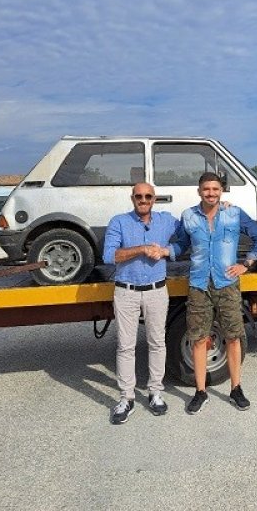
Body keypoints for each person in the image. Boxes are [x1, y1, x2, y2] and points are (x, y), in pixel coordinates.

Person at [171, 172, 257, 414]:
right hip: (199, 285)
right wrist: (164, 251)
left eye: (215, 189)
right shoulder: (189, 216)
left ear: (221, 191)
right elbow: (181, 244)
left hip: (227, 283)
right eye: (206, 189)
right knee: (199, 338)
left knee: (234, 336)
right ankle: (200, 392)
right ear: (199, 191)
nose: (210, 193)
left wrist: (246, 264)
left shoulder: (233, 213)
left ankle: (236, 389)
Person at [103, 182, 178, 424]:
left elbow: (189, 235)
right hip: (127, 292)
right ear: (132, 198)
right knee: (125, 346)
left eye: (148, 196)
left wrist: (167, 251)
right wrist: (142, 249)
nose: (143, 199)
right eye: (139, 196)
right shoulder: (119, 222)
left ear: (154, 199)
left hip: (157, 291)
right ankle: (126, 397)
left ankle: (155, 392)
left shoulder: (167, 221)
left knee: (157, 342)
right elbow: (109, 256)